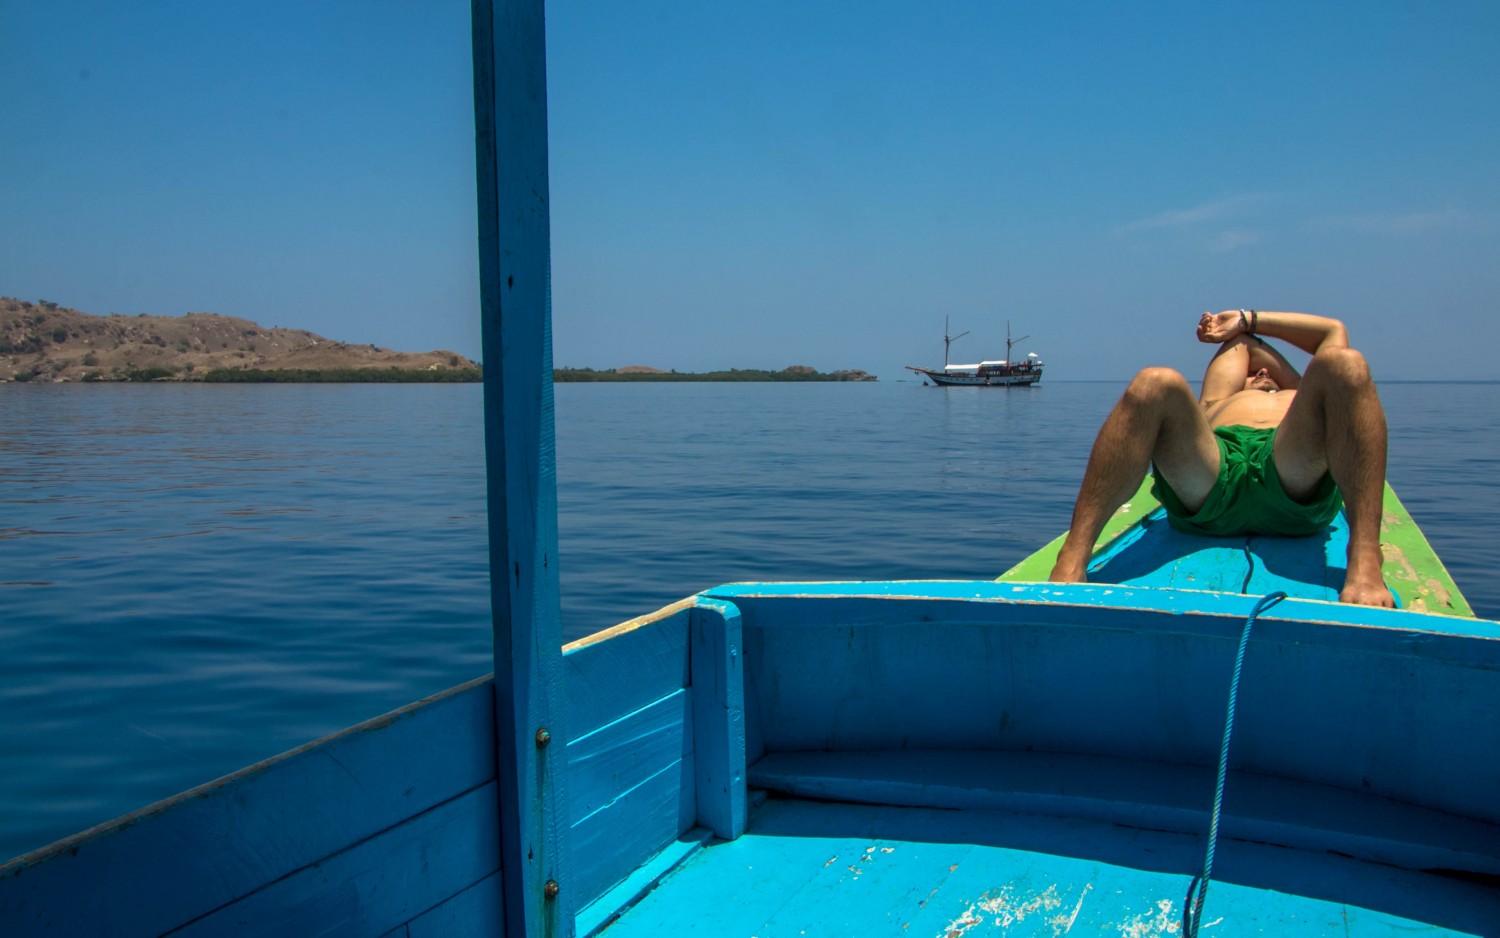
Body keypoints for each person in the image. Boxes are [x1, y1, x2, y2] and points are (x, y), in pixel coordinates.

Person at [1047, 309, 1393, 607]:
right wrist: (1242, 334)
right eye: (1252, 373)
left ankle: (1364, 557)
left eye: (1267, 372)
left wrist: (1249, 318)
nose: (1260, 373)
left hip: (1291, 471)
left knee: (1345, 363)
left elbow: (1333, 333)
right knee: (1154, 381)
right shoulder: (1215, 400)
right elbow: (1242, 346)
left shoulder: (1304, 397)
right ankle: (1073, 558)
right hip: (1213, 475)